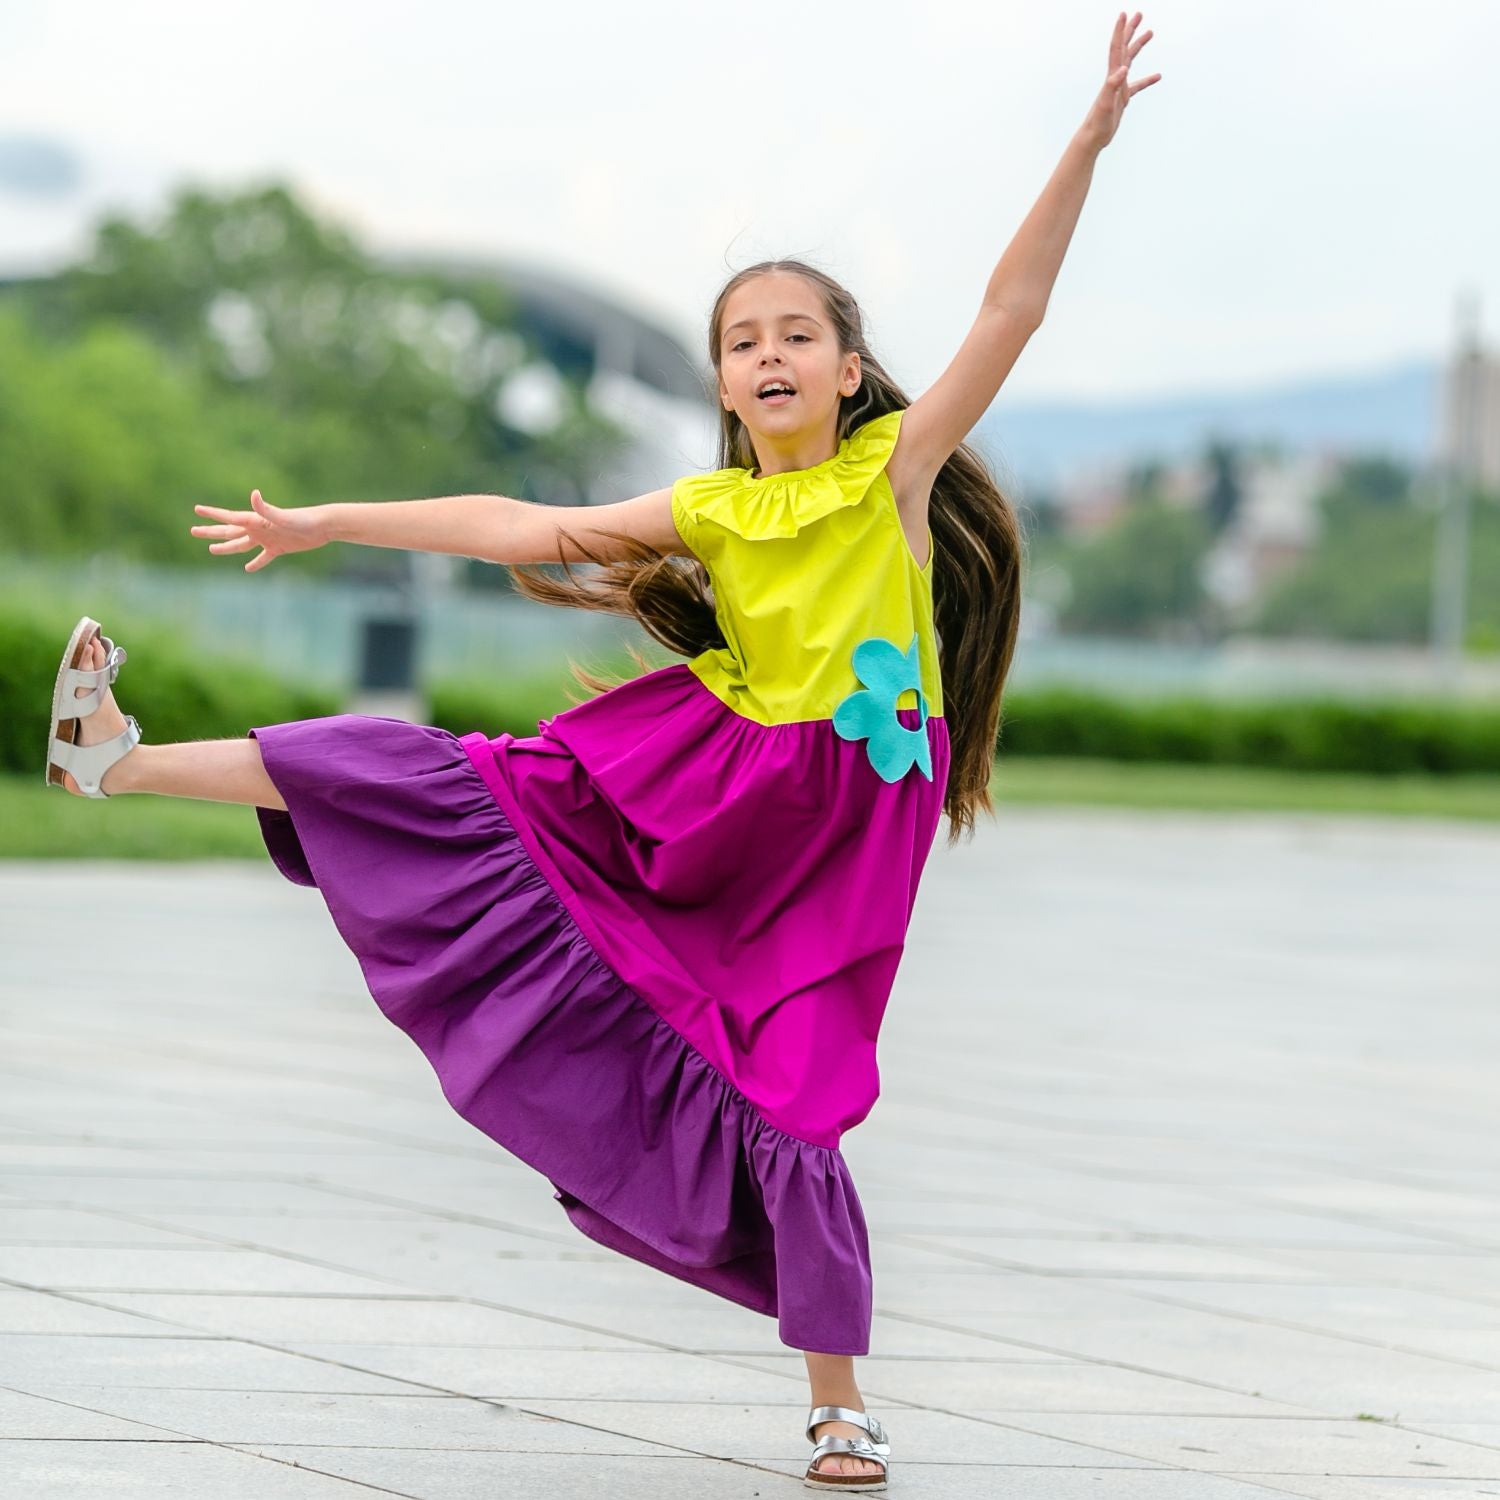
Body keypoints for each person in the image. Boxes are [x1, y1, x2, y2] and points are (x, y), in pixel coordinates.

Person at [42, 18, 1159, 1488]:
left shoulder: (889, 473)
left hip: (837, 826)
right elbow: (518, 526)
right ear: (724, 380)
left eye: (796, 335)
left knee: (797, 1087)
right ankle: (115, 763)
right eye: (742, 340)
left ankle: (838, 1406)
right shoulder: (710, 507)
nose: (768, 353)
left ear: (847, 370)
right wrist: (329, 522)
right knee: (430, 778)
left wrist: (1082, 143)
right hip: (713, 788)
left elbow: (1009, 312)